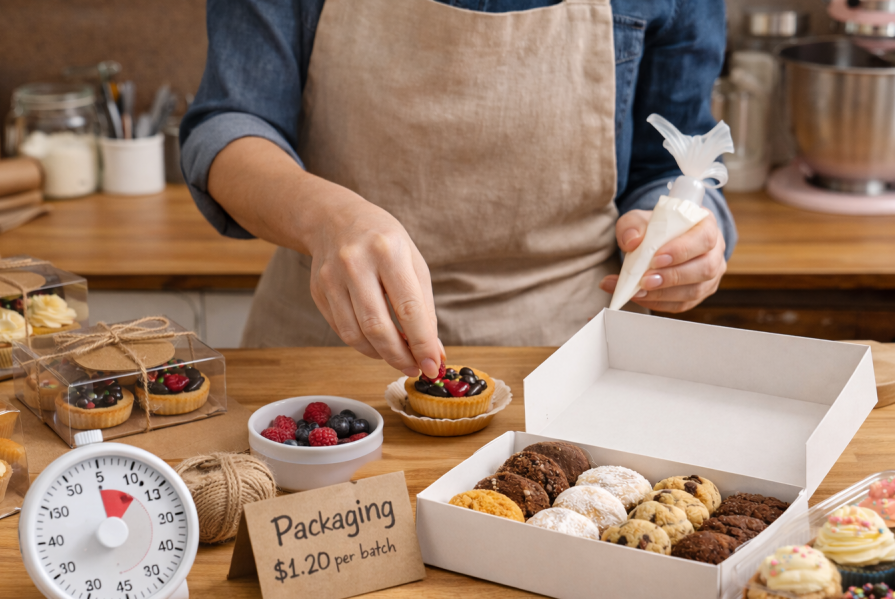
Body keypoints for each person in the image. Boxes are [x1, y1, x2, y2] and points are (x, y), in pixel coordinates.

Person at [181, 0, 735, 380]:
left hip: (569, 355)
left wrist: (681, 228)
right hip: (329, 349)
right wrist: (327, 218)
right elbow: (229, 124)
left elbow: (675, 158)